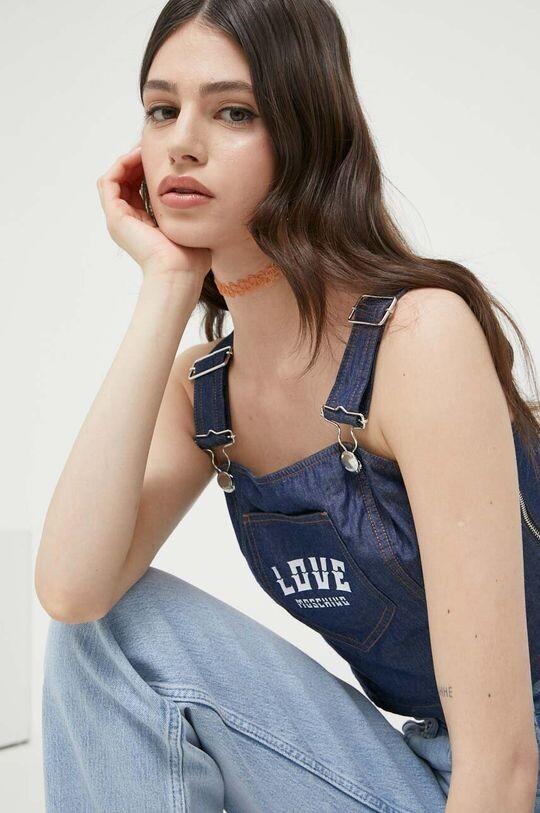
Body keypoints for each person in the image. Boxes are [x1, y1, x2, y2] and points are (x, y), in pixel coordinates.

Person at [36, 1, 540, 810]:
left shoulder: (418, 340)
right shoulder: (206, 392)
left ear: (306, 132)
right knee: (107, 633)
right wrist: (166, 283)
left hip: (509, 776)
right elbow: (71, 590)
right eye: (162, 110)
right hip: (419, 769)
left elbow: (505, 764)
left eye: (233, 112)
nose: (183, 142)